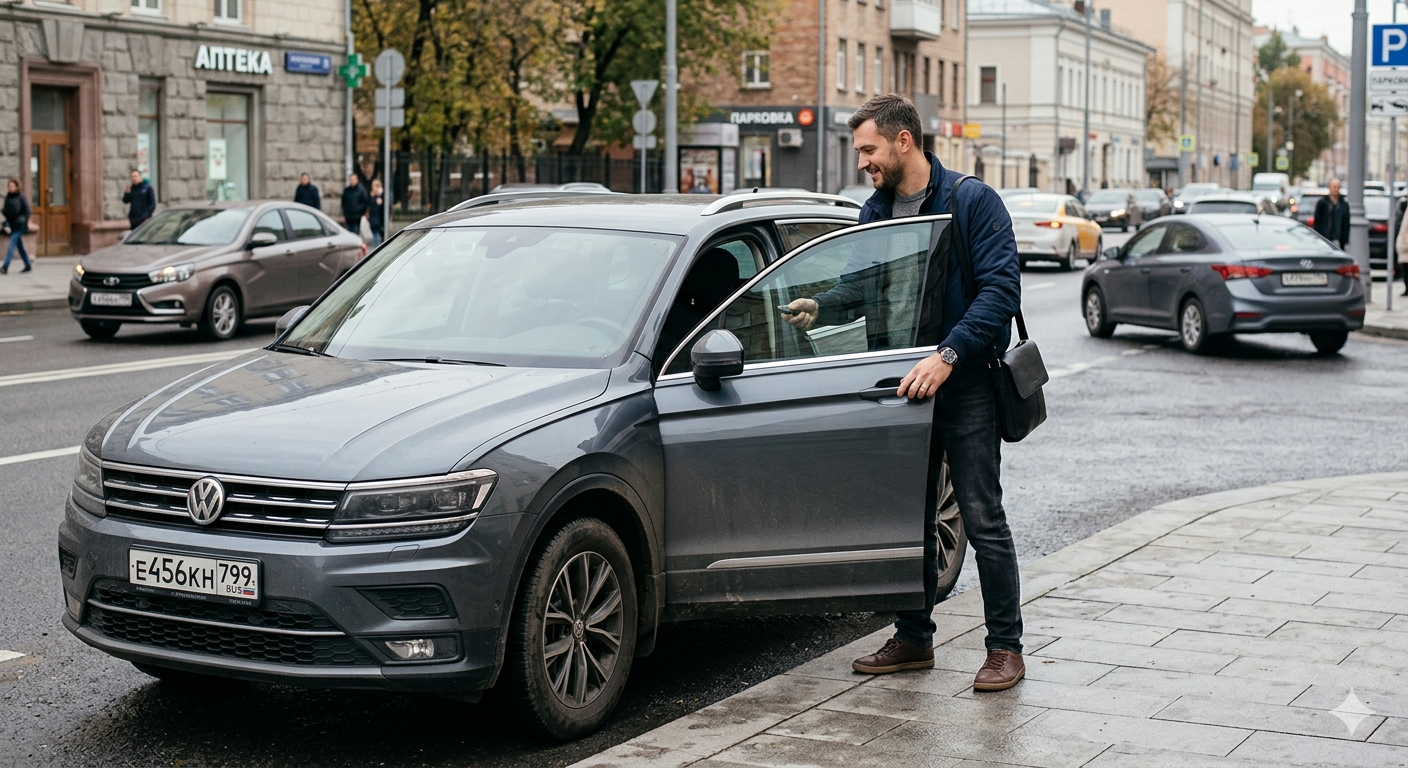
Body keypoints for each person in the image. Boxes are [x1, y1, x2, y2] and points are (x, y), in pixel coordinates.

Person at [784, 94, 1025, 692]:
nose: (862, 161)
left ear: (903, 141)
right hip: (901, 387)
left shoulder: (971, 201)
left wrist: (947, 355)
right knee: (908, 517)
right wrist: (823, 304)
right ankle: (914, 638)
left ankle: (1005, 648)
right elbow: (860, 285)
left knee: (982, 517)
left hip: (964, 384)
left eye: (868, 149)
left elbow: (1000, 292)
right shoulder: (877, 211)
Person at [2, 178, 32, 275]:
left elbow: (27, 211)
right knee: (20, 246)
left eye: (12, 186)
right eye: (9, 186)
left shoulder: (21, 197)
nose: (10, 188)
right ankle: (27, 264)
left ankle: (5, 266)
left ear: (17, 187)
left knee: (11, 244)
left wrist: (22, 219)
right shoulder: (8, 197)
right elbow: (6, 211)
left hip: (20, 225)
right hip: (12, 225)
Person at [1313, 178, 1350, 249]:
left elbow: (1346, 224)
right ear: (1329, 187)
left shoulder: (1344, 204)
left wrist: (1345, 240)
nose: (1336, 189)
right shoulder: (1322, 203)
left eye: (1338, 187)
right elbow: (1317, 222)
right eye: (1334, 187)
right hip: (1325, 238)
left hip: (1339, 239)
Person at [367, 179, 386, 248]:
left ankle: (377, 248)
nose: (373, 188)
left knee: (377, 236)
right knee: (375, 235)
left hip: (379, 219)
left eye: (374, 186)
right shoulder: (372, 196)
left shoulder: (381, 196)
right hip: (373, 219)